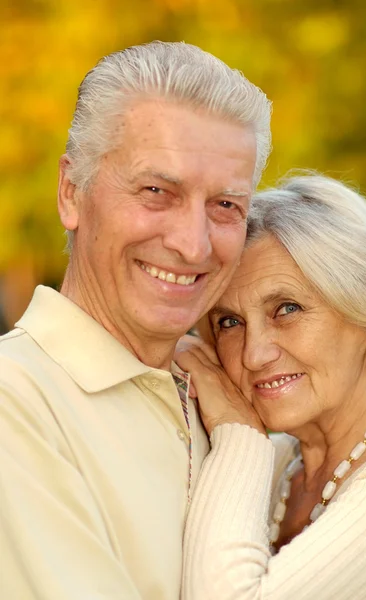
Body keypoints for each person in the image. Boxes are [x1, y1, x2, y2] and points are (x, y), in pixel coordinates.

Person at [0, 41, 271, 600]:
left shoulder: (238, 400)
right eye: (156, 192)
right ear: (71, 193)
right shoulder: (15, 406)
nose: (193, 245)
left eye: (225, 206)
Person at [178, 174, 366, 599]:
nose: (253, 354)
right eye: (229, 322)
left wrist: (236, 430)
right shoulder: (281, 463)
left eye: (287, 309)